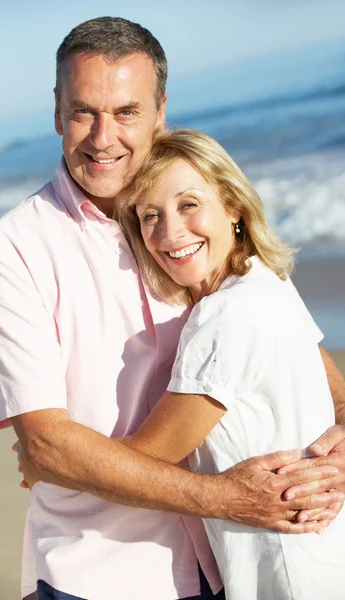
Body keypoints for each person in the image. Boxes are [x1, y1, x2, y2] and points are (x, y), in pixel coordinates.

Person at [0, 16, 345, 600]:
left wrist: (340, 440)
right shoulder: (10, 251)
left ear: (160, 110)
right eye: (83, 111)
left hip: (231, 560)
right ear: (56, 112)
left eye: (126, 112)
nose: (102, 136)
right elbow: (45, 444)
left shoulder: (201, 222)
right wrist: (226, 497)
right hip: (101, 574)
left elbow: (300, 355)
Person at [114, 129, 345, 599]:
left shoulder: (224, 316)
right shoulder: (267, 279)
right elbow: (337, 394)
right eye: (150, 216)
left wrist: (50, 464)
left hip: (284, 571)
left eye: (189, 205)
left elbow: (143, 463)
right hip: (322, 550)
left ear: (233, 206)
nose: (170, 233)